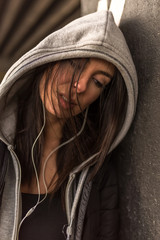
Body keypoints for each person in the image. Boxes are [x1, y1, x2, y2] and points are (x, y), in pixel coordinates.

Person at [0, 10, 138, 240]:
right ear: (50, 58)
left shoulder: (97, 174)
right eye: (75, 63)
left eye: (97, 81)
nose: (81, 85)